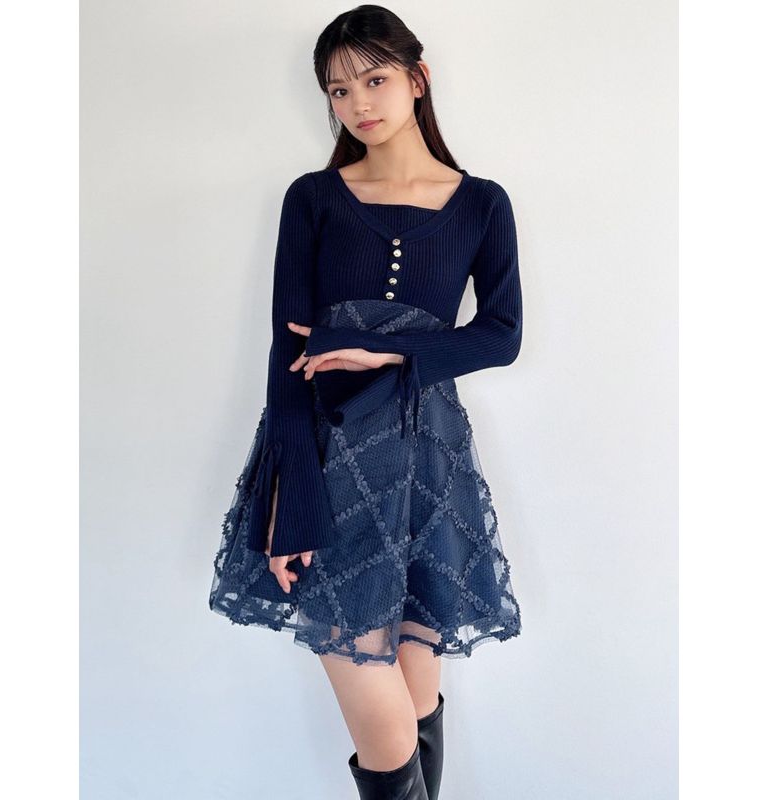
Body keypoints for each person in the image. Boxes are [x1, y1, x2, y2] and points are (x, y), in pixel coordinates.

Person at [208, 6, 524, 798]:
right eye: (338, 90)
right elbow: (286, 360)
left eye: (374, 79)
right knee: (384, 723)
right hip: (327, 455)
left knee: (416, 697)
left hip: (427, 459)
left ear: (418, 79)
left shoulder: (482, 204)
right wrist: (290, 502)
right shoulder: (313, 198)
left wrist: (394, 352)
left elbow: (502, 335)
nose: (358, 103)